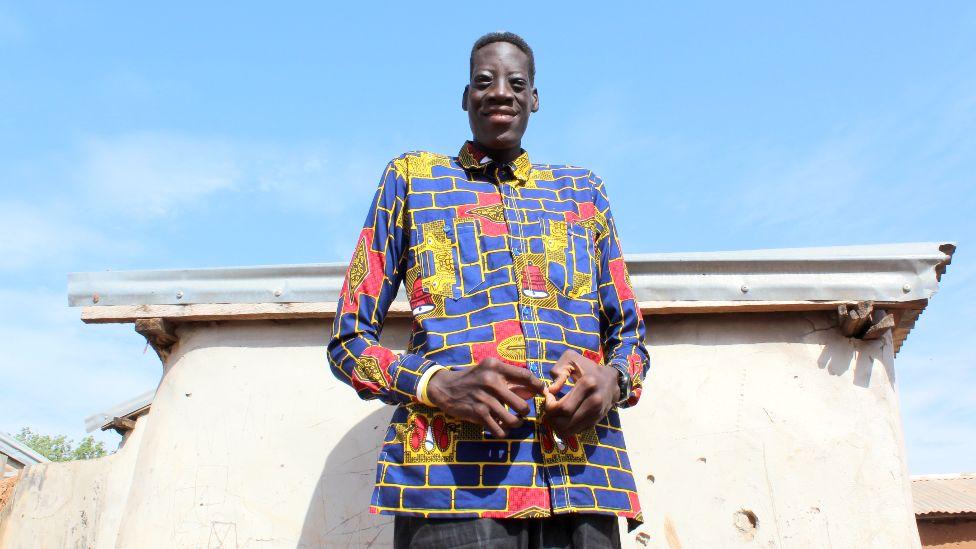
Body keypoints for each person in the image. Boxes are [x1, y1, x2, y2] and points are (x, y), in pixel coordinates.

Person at [328, 31, 649, 549]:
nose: (500, 91)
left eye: (516, 83)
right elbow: (348, 342)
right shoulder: (412, 180)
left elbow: (631, 338)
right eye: (484, 81)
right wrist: (435, 385)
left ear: (534, 99)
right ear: (465, 97)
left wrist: (614, 381)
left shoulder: (583, 192)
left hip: (586, 481)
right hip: (450, 488)